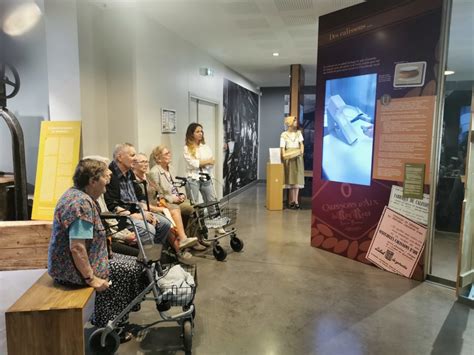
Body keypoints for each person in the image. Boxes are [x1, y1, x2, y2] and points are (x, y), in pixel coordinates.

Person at [47, 159, 145, 342]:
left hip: (83, 261)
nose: (108, 182)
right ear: (92, 181)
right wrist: (91, 279)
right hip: (71, 271)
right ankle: (109, 326)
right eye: (104, 178)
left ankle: (115, 318)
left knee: (137, 263)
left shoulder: (80, 196)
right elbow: (76, 247)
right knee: (128, 270)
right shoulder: (80, 205)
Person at [104, 143, 171, 246]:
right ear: (120, 157)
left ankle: (156, 255)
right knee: (148, 229)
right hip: (123, 216)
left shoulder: (129, 173)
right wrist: (136, 215)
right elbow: (112, 205)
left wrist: (146, 212)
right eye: (132, 155)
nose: (135, 159)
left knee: (165, 223)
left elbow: (140, 197)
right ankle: (146, 259)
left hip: (137, 211)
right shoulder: (110, 175)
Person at [132, 152, 198, 253]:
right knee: (166, 218)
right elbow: (140, 203)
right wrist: (161, 206)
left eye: (146, 162)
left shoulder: (148, 177)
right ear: (134, 164)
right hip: (148, 208)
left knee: (176, 209)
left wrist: (168, 199)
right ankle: (179, 251)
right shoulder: (133, 181)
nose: (145, 164)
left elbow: (160, 191)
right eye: (142, 162)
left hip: (158, 203)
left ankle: (185, 240)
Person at [149, 145, 208, 250]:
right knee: (190, 209)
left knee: (198, 207)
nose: (169, 155)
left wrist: (181, 195)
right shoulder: (154, 172)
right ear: (158, 158)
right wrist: (172, 198)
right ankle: (190, 241)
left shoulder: (171, 168)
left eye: (169, 152)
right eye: (166, 153)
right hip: (166, 202)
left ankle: (197, 238)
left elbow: (176, 185)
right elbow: (158, 193)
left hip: (176, 199)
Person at [183, 123, 217, 208]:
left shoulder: (205, 147)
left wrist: (202, 163)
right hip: (193, 178)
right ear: (191, 134)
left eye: (201, 131)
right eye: (197, 131)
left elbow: (212, 162)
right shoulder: (187, 148)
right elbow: (193, 164)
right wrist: (206, 162)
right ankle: (197, 221)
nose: (200, 133)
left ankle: (213, 219)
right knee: (194, 204)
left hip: (206, 176)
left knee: (212, 201)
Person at [280, 115, 304, 209]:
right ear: (289, 123)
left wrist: (301, 152)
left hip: (298, 157)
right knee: (290, 178)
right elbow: (282, 148)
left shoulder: (298, 133)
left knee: (297, 179)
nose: (296, 123)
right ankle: (291, 201)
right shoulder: (284, 135)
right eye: (294, 121)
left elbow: (301, 144)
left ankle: (296, 201)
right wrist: (284, 156)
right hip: (289, 158)